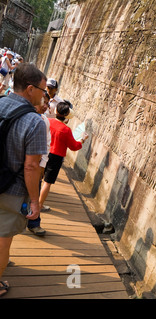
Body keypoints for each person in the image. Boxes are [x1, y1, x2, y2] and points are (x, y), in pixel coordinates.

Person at [0, 63, 48, 297]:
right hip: (12, 189)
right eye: (43, 90)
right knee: (2, 240)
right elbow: (31, 166)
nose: (44, 95)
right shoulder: (35, 122)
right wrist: (35, 200)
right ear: (30, 89)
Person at [39, 102, 89, 211]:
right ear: (66, 115)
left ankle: (31, 200)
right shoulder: (66, 130)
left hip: (43, 152)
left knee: (38, 177)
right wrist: (82, 140)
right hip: (56, 157)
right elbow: (74, 146)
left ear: (56, 111)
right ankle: (39, 205)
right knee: (47, 182)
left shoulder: (48, 122)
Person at [27, 91, 51, 236]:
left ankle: (34, 223)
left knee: (34, 193)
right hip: (18, 163)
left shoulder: (44, 121)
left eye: (48, 103)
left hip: (35, 165)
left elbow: (47, 145)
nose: (46, 106)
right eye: (44, 102)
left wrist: (43, 165)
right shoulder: (23, 115)